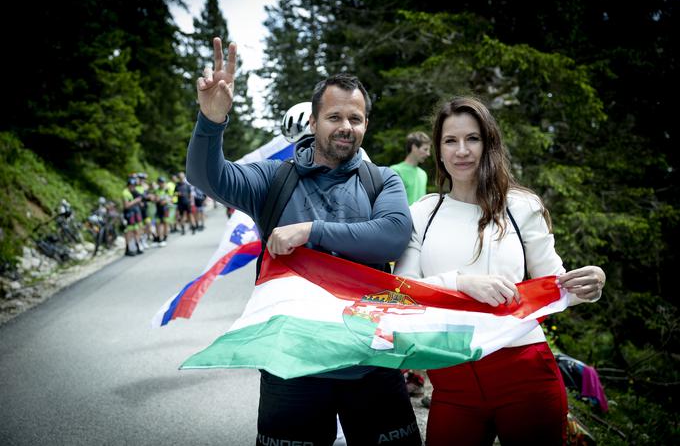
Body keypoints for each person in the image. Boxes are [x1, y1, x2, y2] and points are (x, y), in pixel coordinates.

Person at [186, 37, 421, 446]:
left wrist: (310, 231)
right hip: (290, 363)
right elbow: (207, 177)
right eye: (334, 117)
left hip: (370, 358)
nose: (346, 127)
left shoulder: (383, 180)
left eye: (356, 118)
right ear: (313, 123)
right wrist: (211, 121)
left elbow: (392, 237)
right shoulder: (271, 179)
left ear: (366, 125)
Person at [394, 97, 606, 445]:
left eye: (472, 138)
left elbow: (559, 288)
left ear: (488, 142)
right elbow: (404, 292)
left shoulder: (522, 206)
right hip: (451, 380)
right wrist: (460, 284)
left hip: (525, 373)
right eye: (450, 141)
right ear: (439, 150)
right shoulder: (423, 212)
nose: (462, 150)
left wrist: (592, 283)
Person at [390, 131, 432, 205]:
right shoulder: (395, 170)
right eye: (425, 149)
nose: (428, 154)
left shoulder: (423, 174)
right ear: (414, 147)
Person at [122, 177, 143, 256]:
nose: (133, 187)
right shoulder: (125, 192)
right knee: (129, 231)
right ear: (128, 185)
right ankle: (128, 249)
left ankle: (137, 247)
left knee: (137, 230)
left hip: (135, 214)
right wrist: (136, 201)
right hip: (129, 214)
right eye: (131, 185)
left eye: (134, 185)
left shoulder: (134, 191)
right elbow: (126, 205)